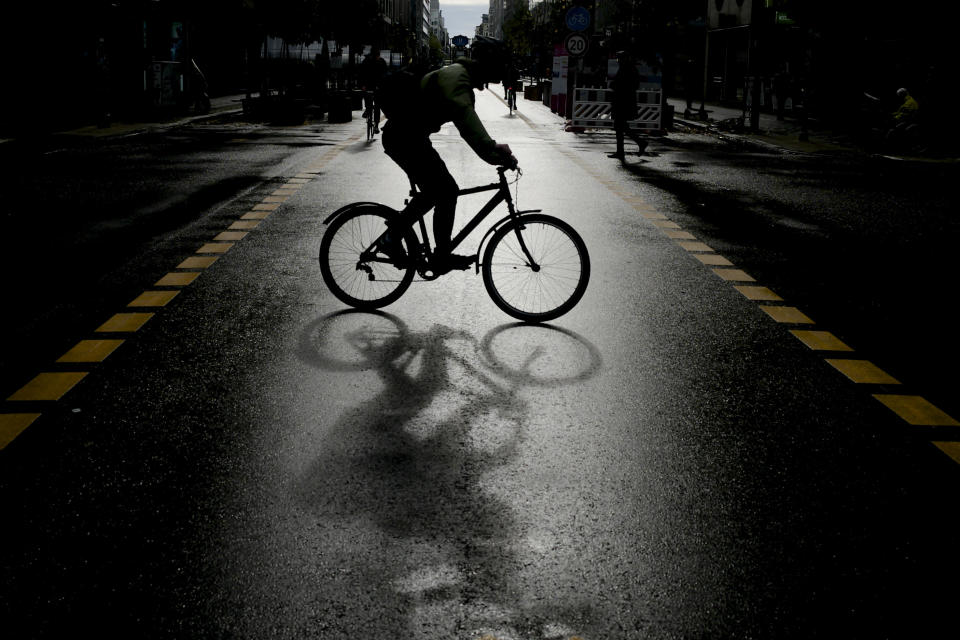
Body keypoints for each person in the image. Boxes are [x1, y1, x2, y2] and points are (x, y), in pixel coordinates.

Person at [381, 36, 517, 272]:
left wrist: (494, 153)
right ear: (488, 63)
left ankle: (414, 243)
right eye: (500, 63)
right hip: (403, 139)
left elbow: (469, 129)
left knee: (439, 191)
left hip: (411, 138)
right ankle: (400, 241)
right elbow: (468, 121)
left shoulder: (462, 79)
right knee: (443, 191)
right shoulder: (457, 78)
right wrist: (495, 150)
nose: (503, 69)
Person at [608, 50, 648, 161]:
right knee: (620, 127)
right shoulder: (628, 68)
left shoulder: (627, 69)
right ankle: (623, 150)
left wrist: (615, 85)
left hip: (623, 102)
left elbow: (624, 84)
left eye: (619, 58)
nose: (618, 61)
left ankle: (639, 143)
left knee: (620, 126)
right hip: (623, 102)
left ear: (624, 59)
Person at [360, 49, 388, 133]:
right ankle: (375, 123)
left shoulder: (370, 61)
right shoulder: (377, 61)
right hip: (374, 85)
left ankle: (374, 121)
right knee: (376, 106)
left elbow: (361, 73)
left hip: (374, 86)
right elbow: (385, 74)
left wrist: (363, 85)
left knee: (375, 105)